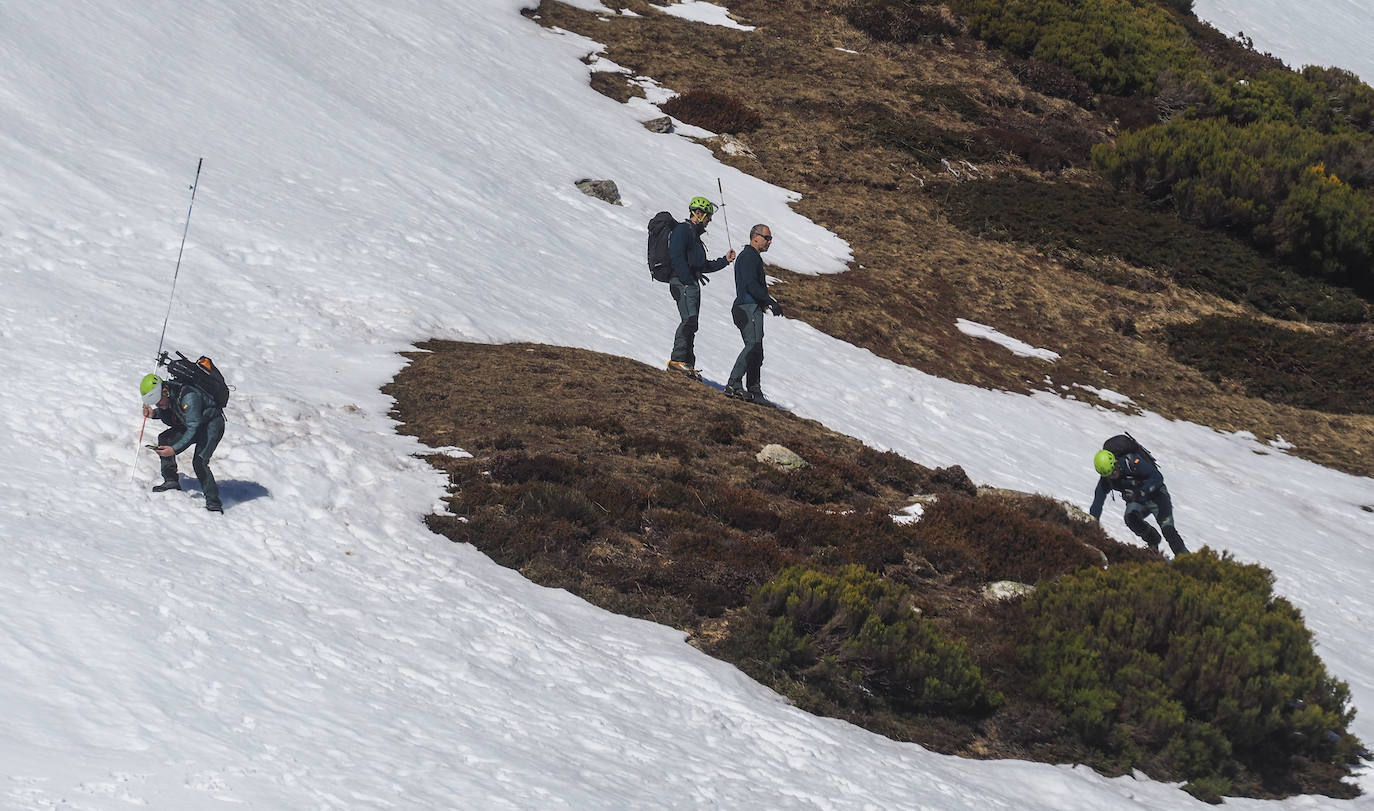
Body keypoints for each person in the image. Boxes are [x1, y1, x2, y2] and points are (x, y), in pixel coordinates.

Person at [666, 195, 735, 379]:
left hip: (689, 283)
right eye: (708, 216)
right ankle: (677, 360)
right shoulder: (683, 230)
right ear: (698, 213)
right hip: (683, 283)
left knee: (692, 322)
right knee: (689, 320)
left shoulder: (693, 235)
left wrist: (724, 261)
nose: (710, 220)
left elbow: (702, 265)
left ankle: (687, 363)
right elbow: (676, 256)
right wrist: (687, 280)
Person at [140, 372, 226, 513]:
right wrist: (153, 414)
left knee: (199, 462)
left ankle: (213, 503)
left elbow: (192, 428)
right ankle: (171, 480)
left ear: (164, 391)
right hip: (195, 424)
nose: (158, 404)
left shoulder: (189, 397)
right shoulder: (170, 394)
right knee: (165, 439)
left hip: (212, 426)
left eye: (158, 401)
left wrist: (174, 450)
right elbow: (173, 410)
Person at [1089, 440, 1188, 556]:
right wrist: (1092, 524)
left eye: (1114, 471)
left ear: (1115, 462)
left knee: (1169, 531)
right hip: (1139, 501)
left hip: (1158, 496)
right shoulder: (1107, 479)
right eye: (1109, 474)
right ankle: (1153, 540)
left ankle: (1188, 561)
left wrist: (1140, 493)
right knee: (1131, 518)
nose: (1113, 476)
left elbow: (1158, 478)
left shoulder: (1132, 462)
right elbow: (1098, 501)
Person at [724, 223, 783, 402]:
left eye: (771, 239)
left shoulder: (750, 256)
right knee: (753, 345)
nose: (769, 242)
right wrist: (769, 301)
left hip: (747, 307)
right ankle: (734, 383)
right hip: (748, 307)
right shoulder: (749, 256)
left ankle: (754, 390)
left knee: (757, 349)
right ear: (755, 236)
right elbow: (750, 284)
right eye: (767, 238)